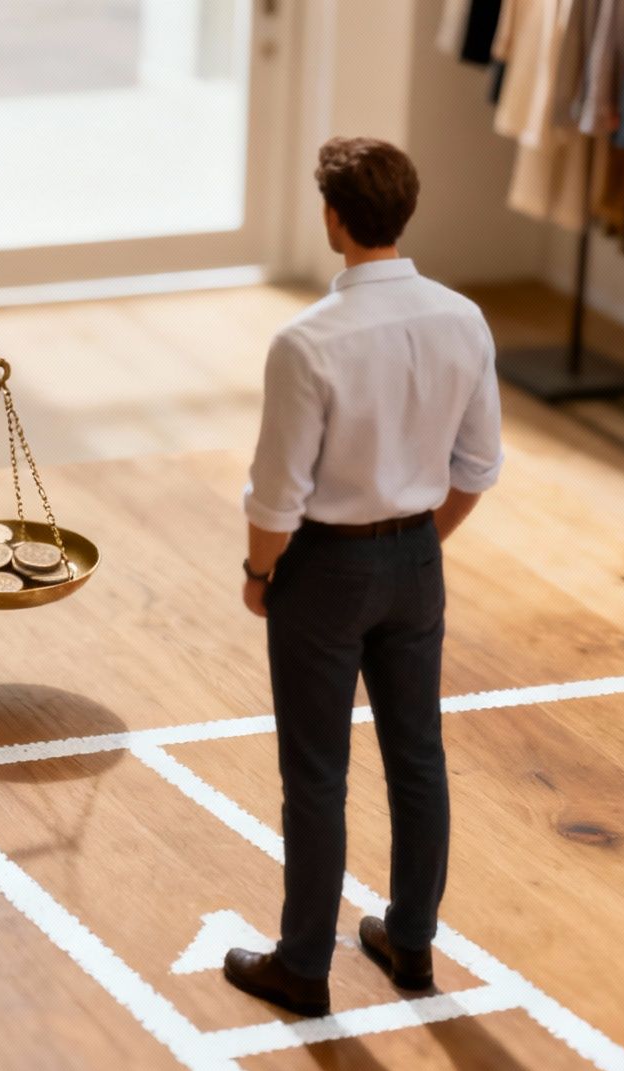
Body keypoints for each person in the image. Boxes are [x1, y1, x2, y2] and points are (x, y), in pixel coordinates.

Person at [223, 137, 504, 1017]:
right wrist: (418, 547)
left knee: (316, 773)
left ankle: (304, 964)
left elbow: (277, 499)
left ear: (333, 217)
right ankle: (410, 946)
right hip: (417, 560)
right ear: (404, 211)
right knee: (418, 758)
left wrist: (258, 574)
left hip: (326, 569)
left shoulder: (307, 342)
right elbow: (477, 467)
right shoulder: (463, 318)